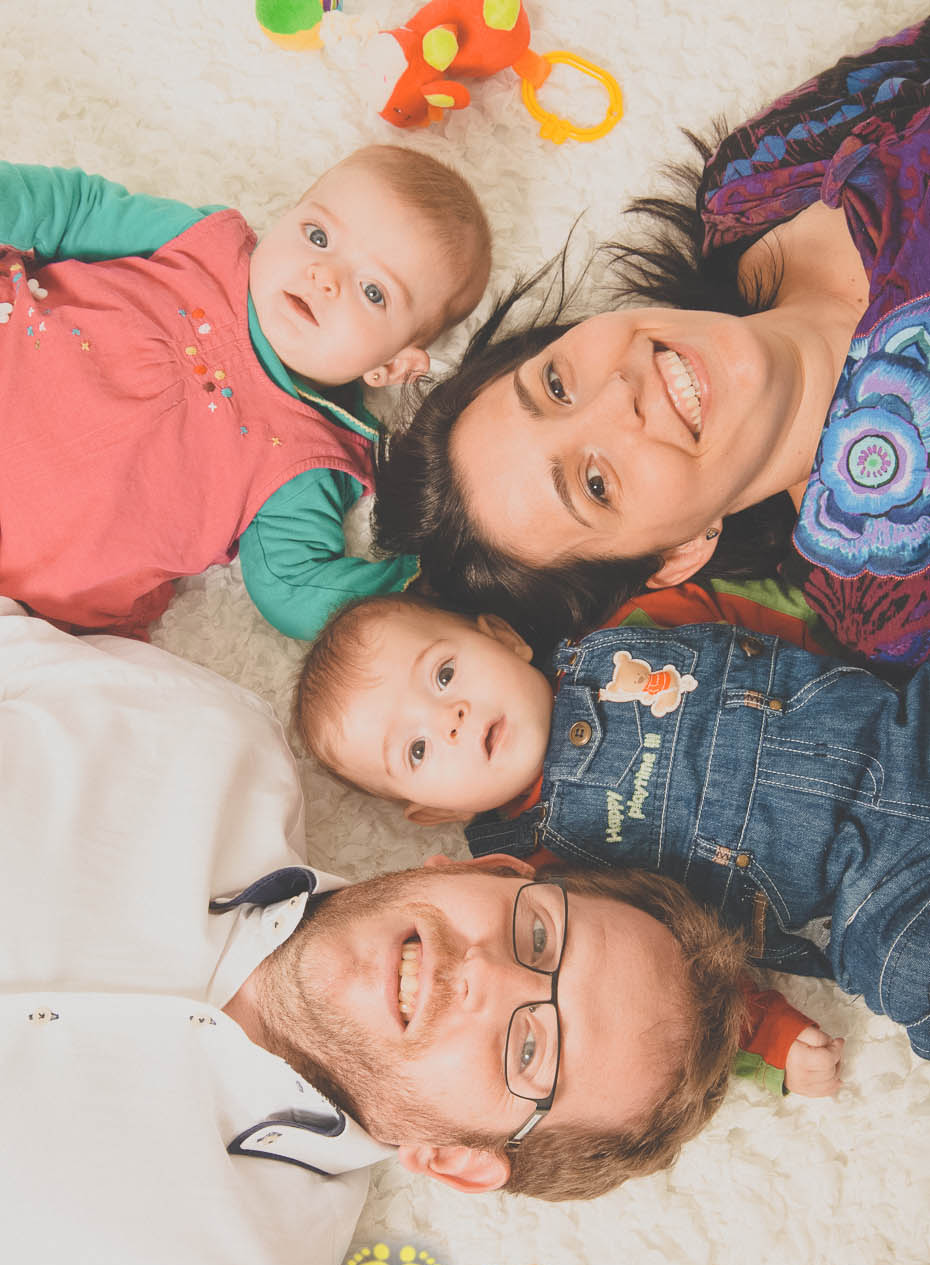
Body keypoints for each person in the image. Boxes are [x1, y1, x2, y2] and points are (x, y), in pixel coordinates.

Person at [0, 595, 755, 1265]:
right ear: (480, 871)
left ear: (459, 1162)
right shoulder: (196, 735)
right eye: (539, 938)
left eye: (532, 1050)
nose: (486, 976)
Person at [373, 20, 930, 673]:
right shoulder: (889, 593)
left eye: (555, 386)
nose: (617, 396)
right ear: (681, 553)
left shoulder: (755, 178)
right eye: (596, 483)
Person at [295, 586, 930, 1065]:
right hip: (865, 896)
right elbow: (673, 963)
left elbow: (754, 617)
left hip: (893, 726)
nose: (450, 717)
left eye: (443, 674)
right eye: (416, 750)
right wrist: (768, 1032)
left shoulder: (631, 627)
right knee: (909, 973)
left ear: (503, 636)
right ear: (439, 812)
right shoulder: (540, 882)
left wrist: (865, 635)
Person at [0, 145, 490, 639]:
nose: (325, 278)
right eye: (318, 237)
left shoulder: (309, 456)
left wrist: (427, 590)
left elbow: (293, 586)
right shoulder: (201, 246)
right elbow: (73, 208)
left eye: (373, 292)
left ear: (392, 366)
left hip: (28, 591)